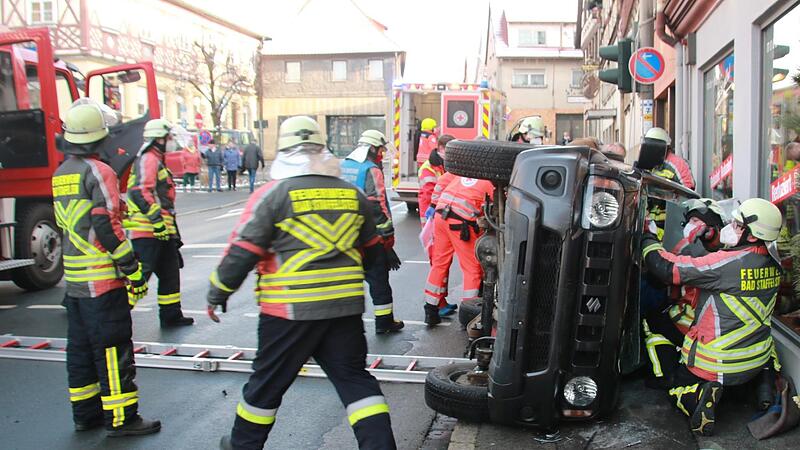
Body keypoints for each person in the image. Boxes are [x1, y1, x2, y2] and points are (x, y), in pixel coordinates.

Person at [206, 116, 397, 450]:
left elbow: (243, 250)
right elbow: (371, 250)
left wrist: (218, 291)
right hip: (344, 309)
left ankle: (243, 446)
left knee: (266, 386)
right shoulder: (351, 195)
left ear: (283, 150)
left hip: (289, 313)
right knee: (355, 382)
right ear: (322, 149)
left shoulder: (273, 195)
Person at [55, 99, 160, 437]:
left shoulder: (61, 173)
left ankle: (86, 414)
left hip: (74, 282)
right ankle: (123, 419)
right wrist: (132, 270)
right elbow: (106, 226)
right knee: (114, 348)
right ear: (100, 137)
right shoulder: (100, 172)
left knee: (81, 350)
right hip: (102, 282)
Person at [641, 198, 783, 436]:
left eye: (737, 225)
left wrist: (647, 238)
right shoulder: (774, 264)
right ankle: (764, 389)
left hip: (714, 364)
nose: (732, 227)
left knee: (676, 386)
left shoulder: (726, 265)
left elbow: (666, 268)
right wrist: (709, 235)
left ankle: (696, 397)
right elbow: (729, 260)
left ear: (750, 234)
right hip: (755, 360)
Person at [643, 198, 725, 389]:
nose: (690, 226)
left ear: (712, 225)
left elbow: (663, 269)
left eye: (696, 221)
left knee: (649, 320)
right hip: (718, 334)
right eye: (689, 221)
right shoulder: (733, 253)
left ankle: (665, 376)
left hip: (694, 330)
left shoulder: (706, 259)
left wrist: (648, 237)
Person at [125, 119, 194, 327]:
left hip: (162, 232)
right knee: (141, 276)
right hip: (149, 232)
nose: (171, 141)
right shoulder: (149, 159)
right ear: (160, 139)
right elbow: (140, 192)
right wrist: (156, 222)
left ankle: (171, 315)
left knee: (169, 273)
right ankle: (118, 313)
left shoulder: (156, 159)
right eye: (168, 137)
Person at [341, 130, 405, 334]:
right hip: (369, 236)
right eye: (380, 149)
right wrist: (387, 237)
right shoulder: (371, 170)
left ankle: (345, 326)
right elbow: (377, 205)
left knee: (347, 281)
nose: (382, 153)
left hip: (344, 235)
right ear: (372, 148)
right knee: (378, 280)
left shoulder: (344, 166)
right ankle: (384, 322)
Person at [424, 175, 494, 325]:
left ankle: (430, 309)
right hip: (461, 225)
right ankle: (469, 316)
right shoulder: (489, 183)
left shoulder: (461, 175)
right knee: (472, 269)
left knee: (439, 263)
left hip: (441, 216)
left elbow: (442, 183)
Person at [418, 134, 454, 224]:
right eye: (450, 150)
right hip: (431, 209)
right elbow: (427, 196)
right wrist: (428, 220)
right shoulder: (429, 168)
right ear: (441, 148)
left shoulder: (443, 163)